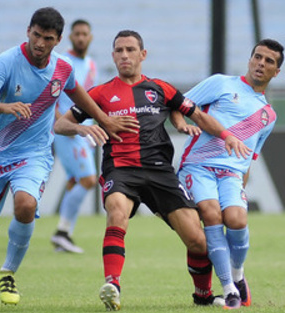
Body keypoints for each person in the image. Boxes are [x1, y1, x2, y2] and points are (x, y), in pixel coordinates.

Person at [53, 29, 251, 311]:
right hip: (120, 170)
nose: (124, 55)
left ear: (142, 54)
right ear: (113, 56)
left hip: (159, 172)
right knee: (117, 214)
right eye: (119, 50)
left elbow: (198, 115)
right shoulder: (100, 93)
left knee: (197, 240)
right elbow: (60, 125)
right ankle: (113, 284)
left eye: (130, 50)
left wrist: (226, 136)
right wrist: (83, 127)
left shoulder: (160, 88)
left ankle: (203, 295)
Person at [0, 8, 137, 310]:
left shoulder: (62, 69)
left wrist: (104, 120)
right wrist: (6, 107)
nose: (40, 43)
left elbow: (80, 95)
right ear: (29, 31)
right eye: (36, 35)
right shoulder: (7, 61)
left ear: (57, 40)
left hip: (33, 153)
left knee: (27, 204)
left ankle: (8, 273)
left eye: (48, 39)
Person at [177, 38, 283, 309]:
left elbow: (248, 159)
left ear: (276, 71)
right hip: (198, 166)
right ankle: (229, 290)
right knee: (212, 215)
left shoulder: (268, 116)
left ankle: (238, 275)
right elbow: (180, 104)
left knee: (236, 219)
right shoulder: (221, 83)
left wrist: (243, 186)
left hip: (232, 174)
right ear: (250, 59)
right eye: (257, 57)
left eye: (269, 61)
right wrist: (180, 123)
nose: (261, 63)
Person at [51, 19, 98, 254]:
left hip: (85, 131)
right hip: (69, 131)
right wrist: (63, 123)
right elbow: (52, 98)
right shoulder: (62, 62)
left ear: (90, 37)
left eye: (84, 34)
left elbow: (90, 99)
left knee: (74, 181)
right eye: (77, 34)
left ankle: (63, 232)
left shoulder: (91, 65)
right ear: (70, 37)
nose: (81, 38)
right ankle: (62, 233)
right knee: (89, 179)